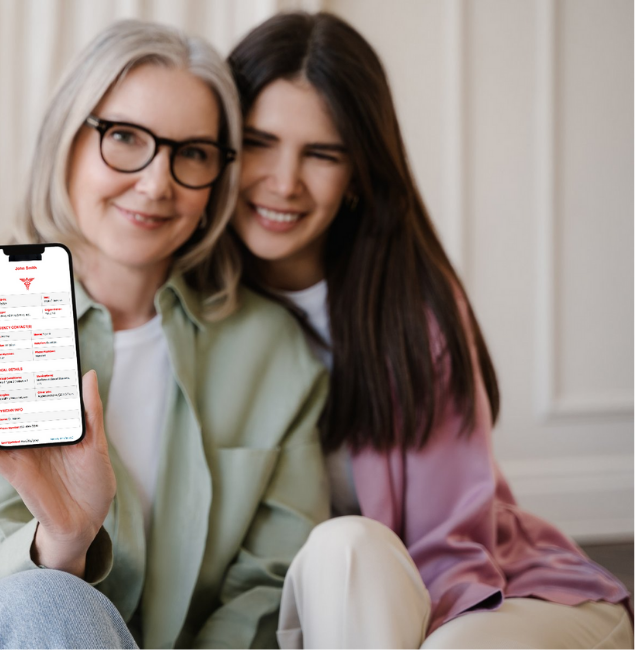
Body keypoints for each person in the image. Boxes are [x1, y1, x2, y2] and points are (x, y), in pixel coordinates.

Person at [0, 19, 330, 650]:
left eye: (192, 154)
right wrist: (65, 540)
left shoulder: (270, 351)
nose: (157, 183)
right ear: (67, 141)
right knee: (52, 602)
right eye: (125, 138)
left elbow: (269, 588)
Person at [226, 11, 633, 649]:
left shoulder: (410, 308)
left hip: (497, 596)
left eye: (322, 153)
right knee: (341, 547)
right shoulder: (199, 311)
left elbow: (453, 550)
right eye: (259, 141)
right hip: (342, 600)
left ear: (358, 170)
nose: (283, 181)